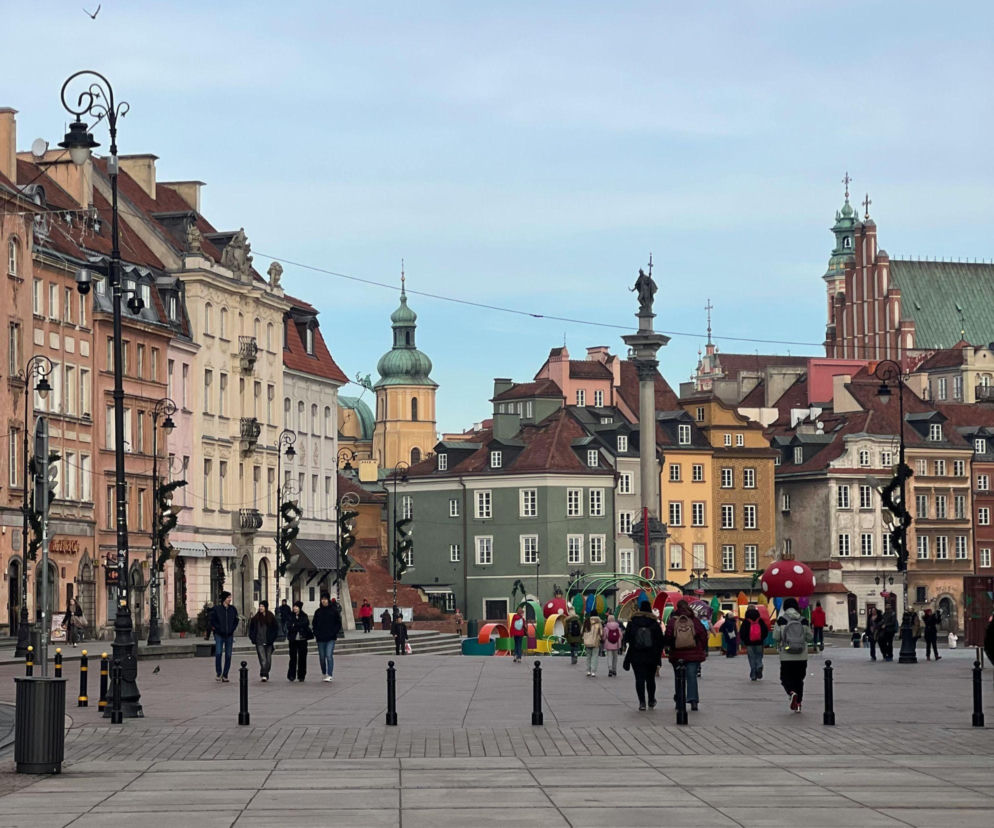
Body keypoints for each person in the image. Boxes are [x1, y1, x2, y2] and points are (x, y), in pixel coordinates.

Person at [663, 599, 708, 712]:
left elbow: (668, 636)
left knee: (679, 677)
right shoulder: (694, 620)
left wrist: (670, 646)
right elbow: (703, 634)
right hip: (693, 653)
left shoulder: (673, 621)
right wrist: (700, 648)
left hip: (677, 654)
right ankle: (693, 701)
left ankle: (679, 701)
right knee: (692, 677)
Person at [773, 597, 813, 712]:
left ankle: (791, 692)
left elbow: (776, 637)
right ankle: (799, 703)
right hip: (801, 655)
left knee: (785, 678)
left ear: (785, 607)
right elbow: (809, 637)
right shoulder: (803, 620)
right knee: (799, 679)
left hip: (786, 656)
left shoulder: (781, 620)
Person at [622, 600, 664, 711]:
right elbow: (660, 641)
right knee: (650, 679)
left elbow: (626, 638)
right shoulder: (654, 623)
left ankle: (642, 702)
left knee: (639, 679)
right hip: (652, 655)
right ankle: (651, 700)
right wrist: (658, 657)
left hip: (636, 655)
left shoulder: (633, 622)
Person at [209, 591, 238, 683]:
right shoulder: (217, 609)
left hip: (229, 635)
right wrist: (217, 629)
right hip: (219, 634)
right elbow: (212, 621)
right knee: (218, 653)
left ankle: (225, 674)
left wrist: (232, 629)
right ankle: (218, 673)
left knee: (228, 655)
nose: (230, 599)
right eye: (228, 597)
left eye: (230, 597)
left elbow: (236, 620)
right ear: (224, 599)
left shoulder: (232, 609)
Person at [312, 593, 343, 682]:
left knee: (329, 655)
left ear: (328, 600)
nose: (323, 600)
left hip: (331, 638)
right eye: (322, 599)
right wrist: (316, 633)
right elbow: (314, 624)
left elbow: (338, 623)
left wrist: (334, 632)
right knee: (322, 657)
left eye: (325, 599)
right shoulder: (318, 612)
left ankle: (330, 674)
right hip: (320, 638)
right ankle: (324, 672)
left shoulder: (333, 611)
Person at [248, 600, 278, 681]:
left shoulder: (271, 617)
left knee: (268, 660)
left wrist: (272, 638)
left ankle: (264, 672)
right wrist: (252, 637)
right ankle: (264, 675)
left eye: (262, 606)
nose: (261, 608)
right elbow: (251, 629)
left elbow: (275, 629)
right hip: (259, 641)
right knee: (263, 659)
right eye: (260, 606)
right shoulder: (256, 618)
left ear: (266, 607)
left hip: (268, 642)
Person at [741, 604, 768, 681]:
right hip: (759, 642)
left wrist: (745, 641)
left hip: (749, 643)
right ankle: (759, 665)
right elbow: (765, 631)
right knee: (759, 656)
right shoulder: (760, 620)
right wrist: (762, 638)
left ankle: (753, 675)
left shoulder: (746, 621)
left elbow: (742, 633)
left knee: (751, 658)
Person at [286, 600, 311, 682]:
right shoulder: (290, 616)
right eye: (294, 606)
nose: (295, 608)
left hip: (302, 639)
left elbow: (305, 624)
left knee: (302, 658)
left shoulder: (304, 616)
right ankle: (291, 675)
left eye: (296, 607)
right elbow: (289, 626)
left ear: (300, 608)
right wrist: (296, 625)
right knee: (292, 658)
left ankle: (301, 675)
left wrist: (295, 624)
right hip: (293, 640)